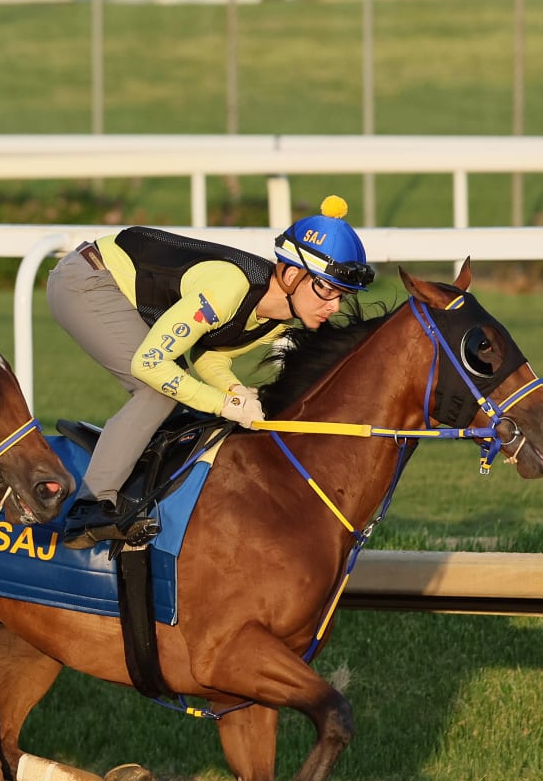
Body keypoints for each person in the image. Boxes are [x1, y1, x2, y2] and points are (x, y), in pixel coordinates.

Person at [48, 195, 375, 549]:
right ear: (292, 273)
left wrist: (237, 392)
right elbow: (150, 364)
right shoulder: (228, 289)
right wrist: (224, 403)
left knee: (182, 404)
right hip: (89, 279)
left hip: (124, 291)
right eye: (326, 290)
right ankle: (90, 507)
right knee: (157, 391)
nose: (335, 306)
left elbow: (209, 354)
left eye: (343, 295)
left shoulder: (278, 318)